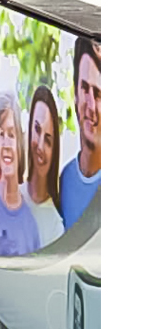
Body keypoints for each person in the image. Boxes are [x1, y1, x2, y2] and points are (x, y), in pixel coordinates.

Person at [0, 91, 41, 257]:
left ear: (19, 143)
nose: (5, 144)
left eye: (11, 135)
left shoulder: (31, 219)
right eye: (1, 135)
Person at [58, 37, 102, 228]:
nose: (90, 106)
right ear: (75, 95)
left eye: (98, 94)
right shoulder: (65, 179)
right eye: (84, 89)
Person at [26, 85, 66, 245]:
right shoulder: (10, 197)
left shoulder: (56, 227)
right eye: (37, 129)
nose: (41, 146)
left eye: (48, 140)